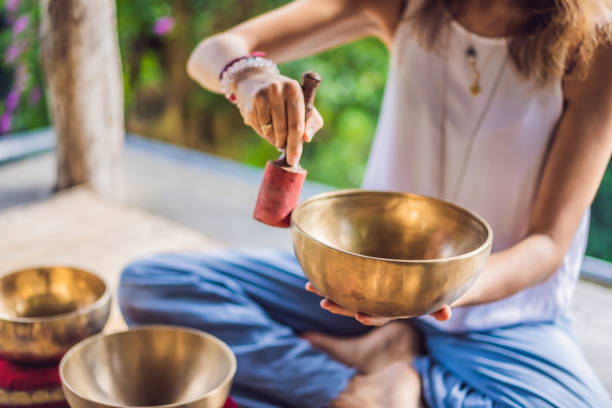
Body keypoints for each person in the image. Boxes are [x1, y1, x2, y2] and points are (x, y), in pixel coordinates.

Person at [117, 0, 612, 407]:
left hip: (499, 318)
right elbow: (213, 51)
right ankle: (357, 386)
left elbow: (548, 242)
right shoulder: (406, 5)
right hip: (360, 286)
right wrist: (250, 80)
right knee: (153, 286)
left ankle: (401, 378)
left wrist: (438, 288)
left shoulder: (596, 45)